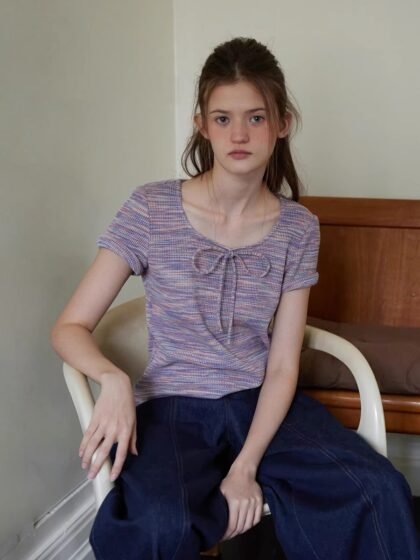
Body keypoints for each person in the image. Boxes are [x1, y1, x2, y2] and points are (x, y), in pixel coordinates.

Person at [50, 37, 419, 560]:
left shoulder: (298, 227)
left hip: (261, 402)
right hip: (172, 408)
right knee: (158, 524)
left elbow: (283, 365)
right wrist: (112, 378)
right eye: (222, 119)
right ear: (201, 124)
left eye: (255, 118)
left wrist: (245, 467)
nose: (239, 134)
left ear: (282, 123)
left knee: (376, 489)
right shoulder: (151, 208)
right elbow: (69, 327)